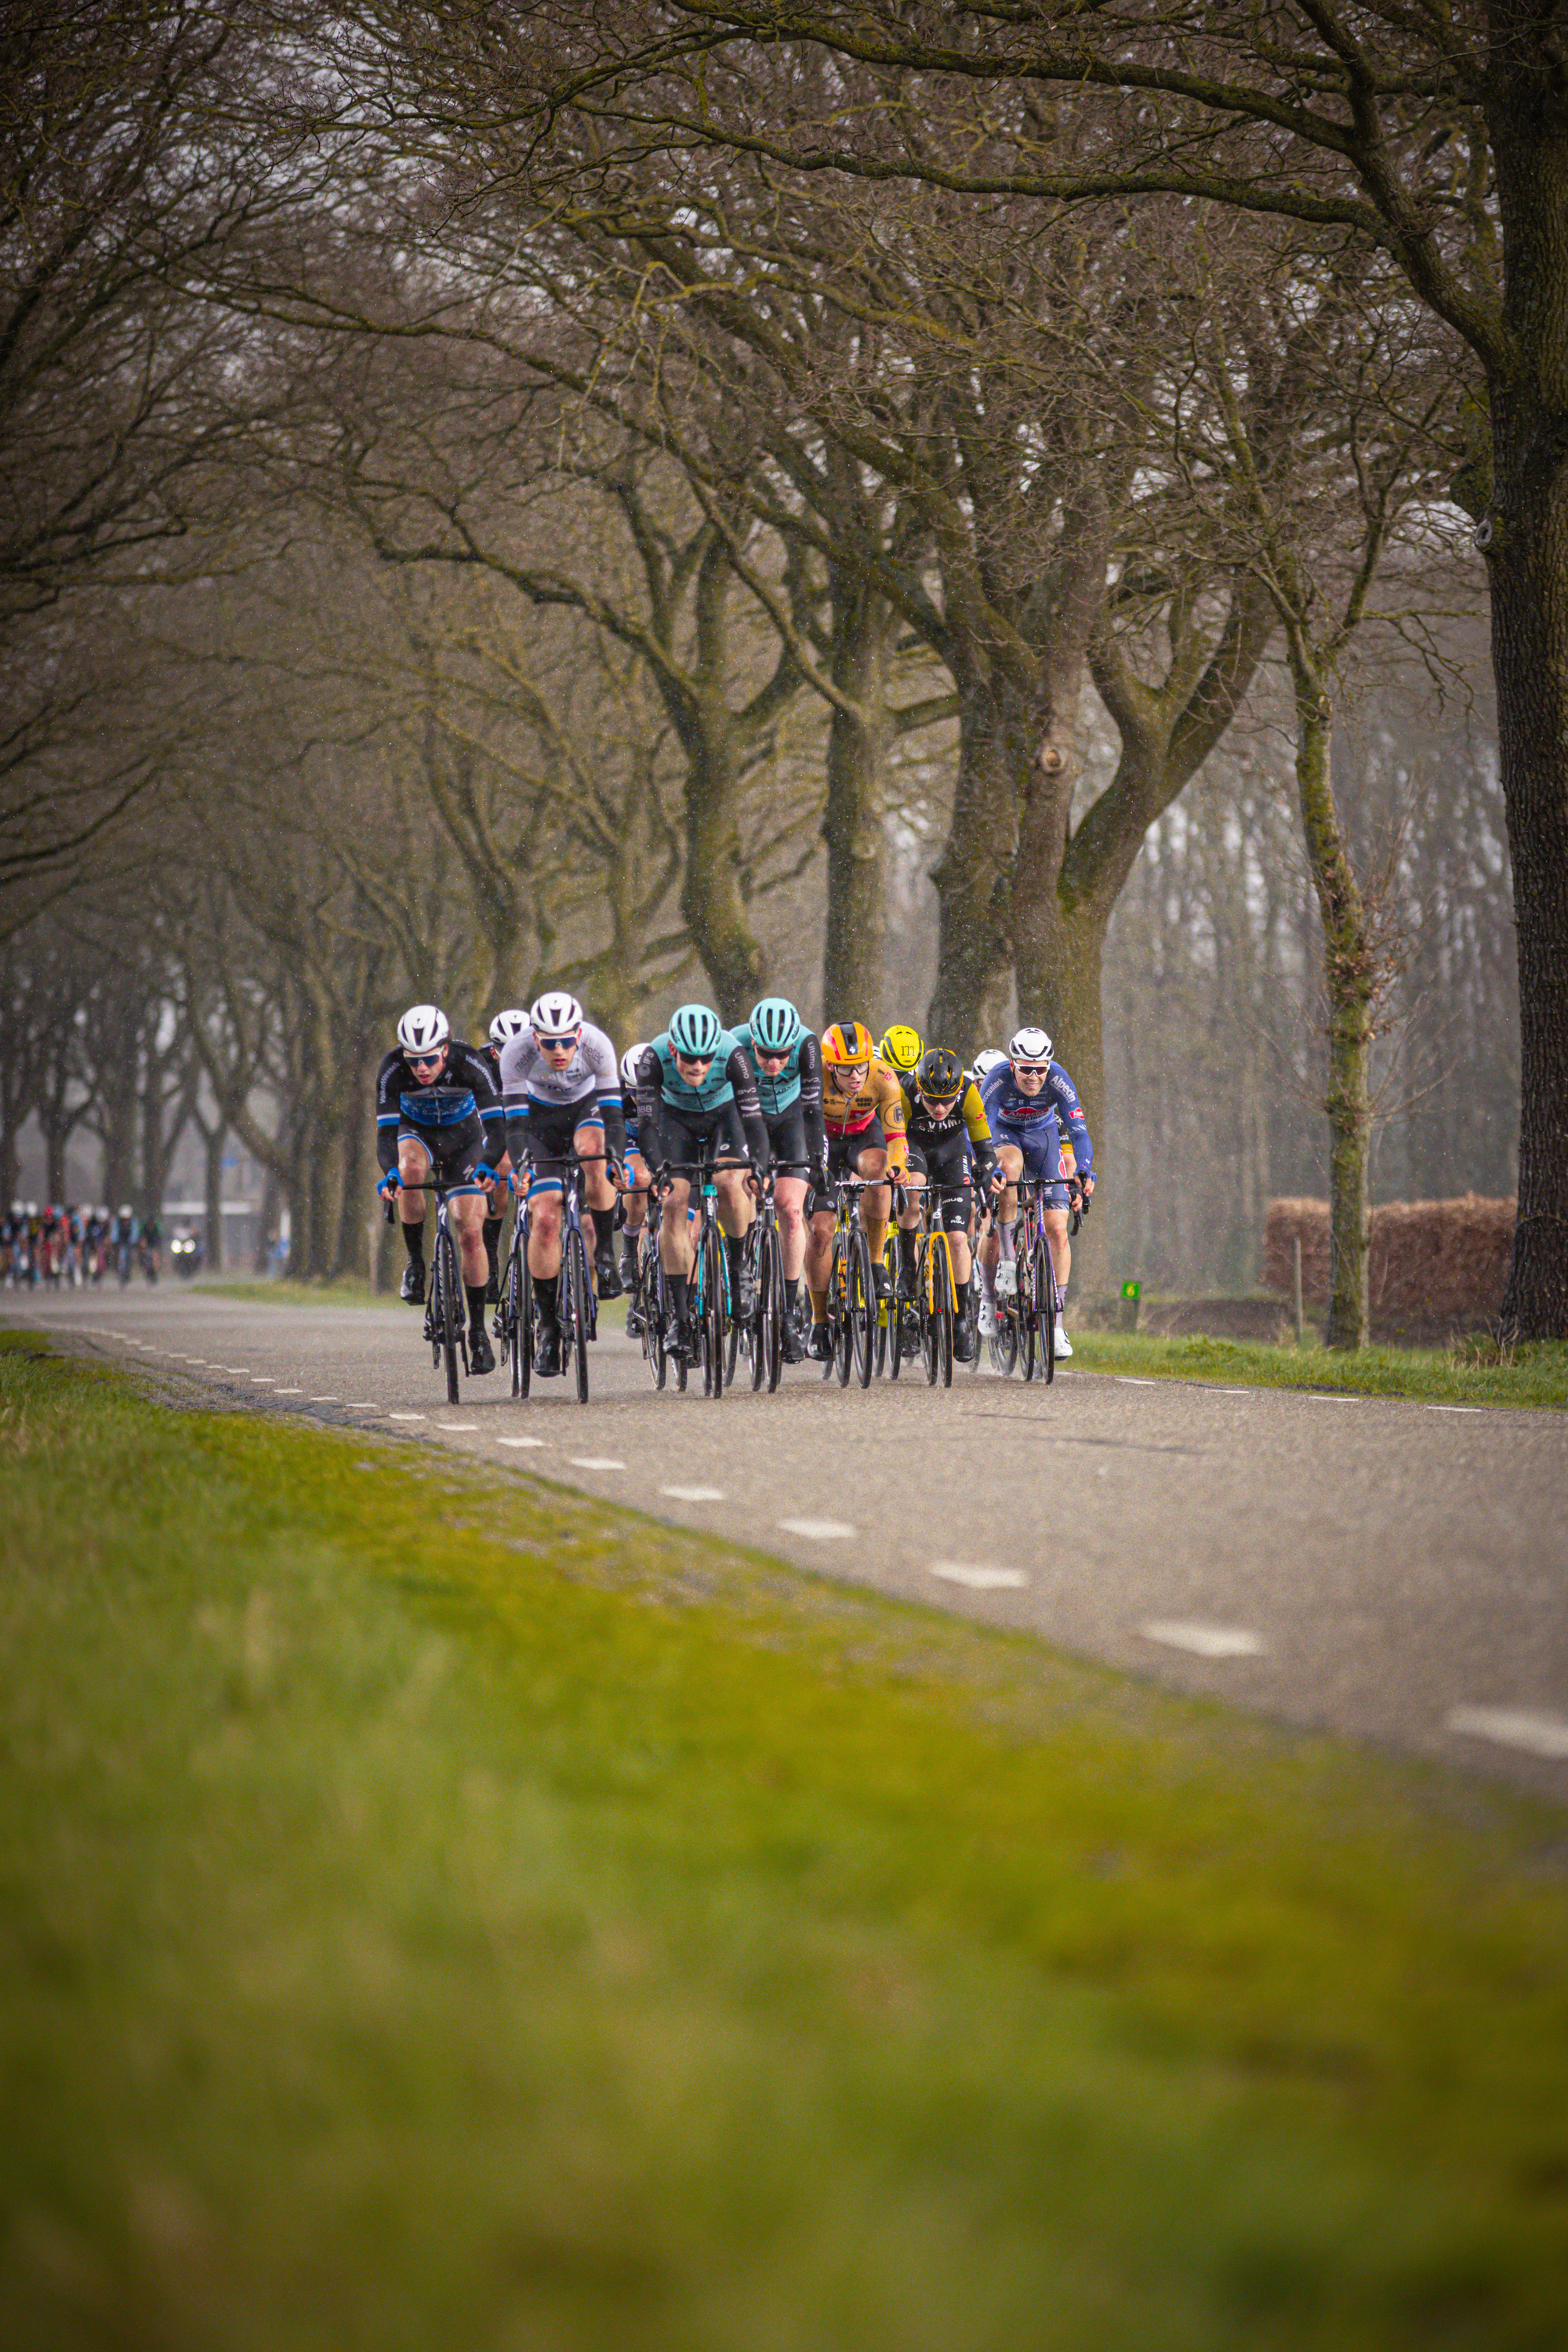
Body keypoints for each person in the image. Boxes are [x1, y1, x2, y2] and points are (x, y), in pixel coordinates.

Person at [499, 990, 625, 1378]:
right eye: (549, 1043)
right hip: (537, 1123)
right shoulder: (516, 1055)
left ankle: (604, 1254)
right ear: (535, 1038)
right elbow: (516, 1126)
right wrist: (521, 1165)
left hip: (585, 1112)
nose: (559, 1050)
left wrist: (616, 1158)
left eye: (566, 1041)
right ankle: (549, 1324)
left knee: (595, 1152)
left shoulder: (597, 1046)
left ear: (578, 1033)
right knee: (546, 1217)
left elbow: (614, 1115)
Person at [634, 1006, 770, 1360]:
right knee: (674, 1201)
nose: (698, 1067)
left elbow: (754, 1120)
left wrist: (758, 1165)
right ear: (674, 1051)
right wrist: (657, 1169)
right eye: (690, 1059)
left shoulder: (734, 1055)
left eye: (706, 1059)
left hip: (724, 1118)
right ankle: (680, 1318)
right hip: (675, 1121)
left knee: (730, 1180)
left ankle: (740, 1270)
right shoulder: (652, 1057)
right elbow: (647, 1125)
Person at [375, 1004, 504, 1374]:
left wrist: (487, 1165)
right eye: (413, 1060)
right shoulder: (392, 1069)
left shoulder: (469, 1063)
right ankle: (416, 1263)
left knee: (469, 1229)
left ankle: (477, 1330)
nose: (421, 1068)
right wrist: (390, 1174)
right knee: (409, 1170)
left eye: (429, 1059)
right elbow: (385, 1135)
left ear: (445, 1049)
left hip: (465, 1138)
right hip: (418, 1136)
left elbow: (496, 1128)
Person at [979, 1025, 1096, 1357]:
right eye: (1026, 1069)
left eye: (1040, 1070)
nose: (1033, 1076)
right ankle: (1007, 1259)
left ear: (1049, 1066)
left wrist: (1085, 1170)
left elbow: (1079, 1133)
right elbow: (983, 1132)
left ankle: (1057, 1327)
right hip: (1005, 1136)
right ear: (1013, 1064)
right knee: (1011, 1167)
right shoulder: (997, 1080)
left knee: (1058, 1229)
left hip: (1044, 1138)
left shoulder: (1059, 1079)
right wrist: (990, 1169)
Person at [804, 1021, 909, 1361]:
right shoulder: (812, 1075)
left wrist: (898, 1167)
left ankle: (876, 1262)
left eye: (860, 1068)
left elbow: (896, 1138)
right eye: (847, 1070)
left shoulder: (883, 1077)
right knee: (820, 1231)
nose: (855, 1077)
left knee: (880, 1173)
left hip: (863, 1137)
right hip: (821, 1141)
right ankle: (819, 1320)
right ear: (831, 1065)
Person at [731, 996, 826, 1363]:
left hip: (790, 1120)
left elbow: (814, 1111)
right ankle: (740, 1264)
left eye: (781, 1055)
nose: (773, 1063)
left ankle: (788, 1310)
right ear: (752, 1041)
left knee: (789, 1210)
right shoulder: (732, 1045)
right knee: (739, 1191)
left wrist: (819, 1162)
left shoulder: (807, 1045)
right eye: (765, 1053)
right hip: (745, 1118)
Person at [894, 1044, 999, 1363]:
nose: (940, 1109)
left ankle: (962, 1318)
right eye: (932, 1101)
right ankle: (909, 1270)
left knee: (957, 1237)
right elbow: (894, 1138)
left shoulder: (968, 1092)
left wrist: (987, 1169)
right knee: (914, 1188)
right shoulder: (906, 1091)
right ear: (920, 1090)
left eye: (947, 1102)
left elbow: (985, 1146)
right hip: (914, 1147)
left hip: (952, 1154)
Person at [481, 1009, 530, 1306]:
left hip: (529, 1120)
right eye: (503, 1050)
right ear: (493, 1049)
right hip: (494, 1123)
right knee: (500, 1167)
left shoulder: (545, 1059)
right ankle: (490, 1257)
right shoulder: (480, 1064)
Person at [616, 1043, 652, 1336]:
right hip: (632, 1143)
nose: (639, 1099)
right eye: (634, 1092)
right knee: (638, 1178)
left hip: (665, 1138)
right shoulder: (616, 1096)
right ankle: (629, 1252)